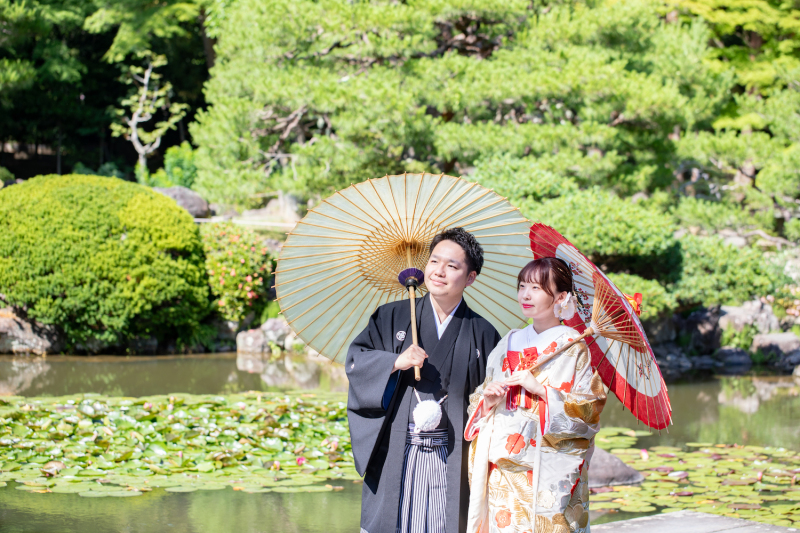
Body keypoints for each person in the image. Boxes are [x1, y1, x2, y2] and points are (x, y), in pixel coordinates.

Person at [346, 227, 502, 533]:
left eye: (452, 266)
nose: (439, 272)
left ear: (470, 277)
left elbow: (491, 396)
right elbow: (356, 361)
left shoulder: (483, 333)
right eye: (434, 262)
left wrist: (490, 400)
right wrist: (394, 362)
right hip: (397, 450)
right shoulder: (390, 317)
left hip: (453, 453)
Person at [464, 257, 607, 533]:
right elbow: (479, 397)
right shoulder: (508, 342)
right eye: (521, 286)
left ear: (561, 297)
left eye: (536, 288)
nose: (525, 295)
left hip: (546, 473)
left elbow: (590, 410)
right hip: (502, 471)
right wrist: (487, 401)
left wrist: (541, 390)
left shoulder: (572, 346)